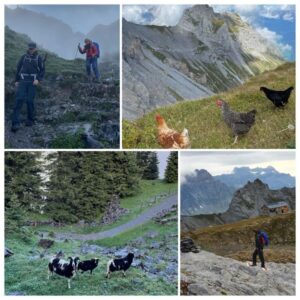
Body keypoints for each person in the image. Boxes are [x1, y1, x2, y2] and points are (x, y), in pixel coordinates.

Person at [11, 42, 45, 132]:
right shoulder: (23, 57)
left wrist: (38, 79)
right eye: (30, 48)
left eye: (32, 48)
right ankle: (15, 123)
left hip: (32, 83)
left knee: (30, 101)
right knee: (19, 100)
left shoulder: (39, 58)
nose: (31, 50)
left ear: (35, 49)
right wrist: (16, 80)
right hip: (22, 81)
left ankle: (30, 120)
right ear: (28, 48)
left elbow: (42, 70)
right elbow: (18, 68)